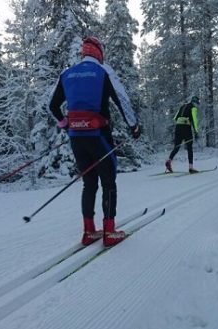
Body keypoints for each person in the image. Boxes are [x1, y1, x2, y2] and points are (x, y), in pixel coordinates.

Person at [49, 36, 141, 247]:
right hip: (99, 135)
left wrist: (65, 125)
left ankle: (89, 231)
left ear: (84, 52)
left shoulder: (67, 73)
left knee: (89, 183)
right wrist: (134, 127)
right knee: (108, 182)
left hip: (76, 138)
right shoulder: (103, 71)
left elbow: (52, 106)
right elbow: (122, 101)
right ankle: (109, 231)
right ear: (99, 52)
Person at [165, 96, 201, 173]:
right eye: (197, 103)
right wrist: (196, 132)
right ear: (196, 102)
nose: (197, 105)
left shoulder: (183, 106)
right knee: (189, 148)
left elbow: (175, 118)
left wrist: (180, 124)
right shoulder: (193, 108)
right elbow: (194, 120)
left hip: (178, 127)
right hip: (186, 127)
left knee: (177, 146)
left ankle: (169, 161)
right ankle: (191, 168)